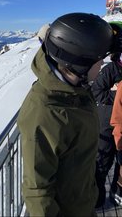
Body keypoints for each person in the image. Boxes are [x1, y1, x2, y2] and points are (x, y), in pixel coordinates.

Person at [20, 12, 115, 216]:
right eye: (100, 60)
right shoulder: (44, 113)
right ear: (80, 64)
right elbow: (38, 191)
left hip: (84, 201)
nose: (103, 65)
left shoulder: (74, 89)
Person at [91, 27, 122, 208]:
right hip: (106, 124)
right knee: (102, 162)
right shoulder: (110, 69)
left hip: (120, 124)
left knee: (120, 161)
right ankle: (97, 198)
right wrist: (118, 95)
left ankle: (115, 193)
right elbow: (97, 92)